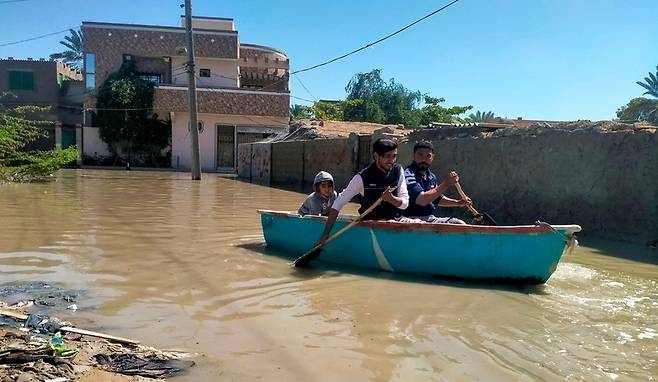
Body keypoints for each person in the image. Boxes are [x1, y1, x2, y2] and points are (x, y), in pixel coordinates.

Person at [315, 138, 409, 246]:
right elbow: (338, 203)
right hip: (372, 223)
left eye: (394, 156)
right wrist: (325, 234)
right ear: (376, 156)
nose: (392, 161)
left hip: (396, 221)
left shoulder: (398, 171)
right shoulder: (362, 178)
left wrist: (391, 199)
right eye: (387, 156)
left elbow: (404, 204)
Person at [403, 140, 472, 224]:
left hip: (428, 218)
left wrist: (458, 203)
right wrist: (446, 184)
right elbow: (422, 200)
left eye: (428, 156)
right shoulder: (408, 174)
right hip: (411, 219)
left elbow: (436, 199)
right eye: (420, 155)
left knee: (459, 224)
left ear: (432, 157)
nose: (424, 159)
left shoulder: (431, 176)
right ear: (414, 156)